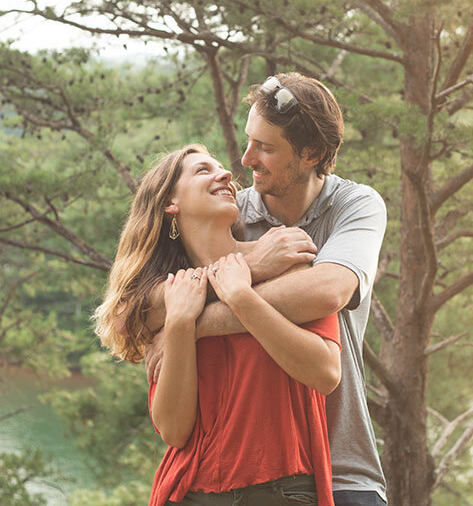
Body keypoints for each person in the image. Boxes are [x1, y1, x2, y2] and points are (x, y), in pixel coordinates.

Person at [145, 73, 388, 506]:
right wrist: (249, 265)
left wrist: (193, 324)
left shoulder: (354, 205)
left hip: (341, 463)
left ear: (311, 153)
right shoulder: (229, 211)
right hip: (218, 472)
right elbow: (137, 306)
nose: (244, 160)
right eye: (248, 140)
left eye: (266, 148)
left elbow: (327, 289)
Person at [94, 144, 342, 506]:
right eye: (201, 171)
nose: (225, 175)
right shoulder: (168, 300)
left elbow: (326, 372)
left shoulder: (284, 258)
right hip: (190, 491)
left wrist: (242, 297)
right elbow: (175, 431)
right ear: (170, 205)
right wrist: (180, 323)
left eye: (221, 169)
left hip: (281, 490)